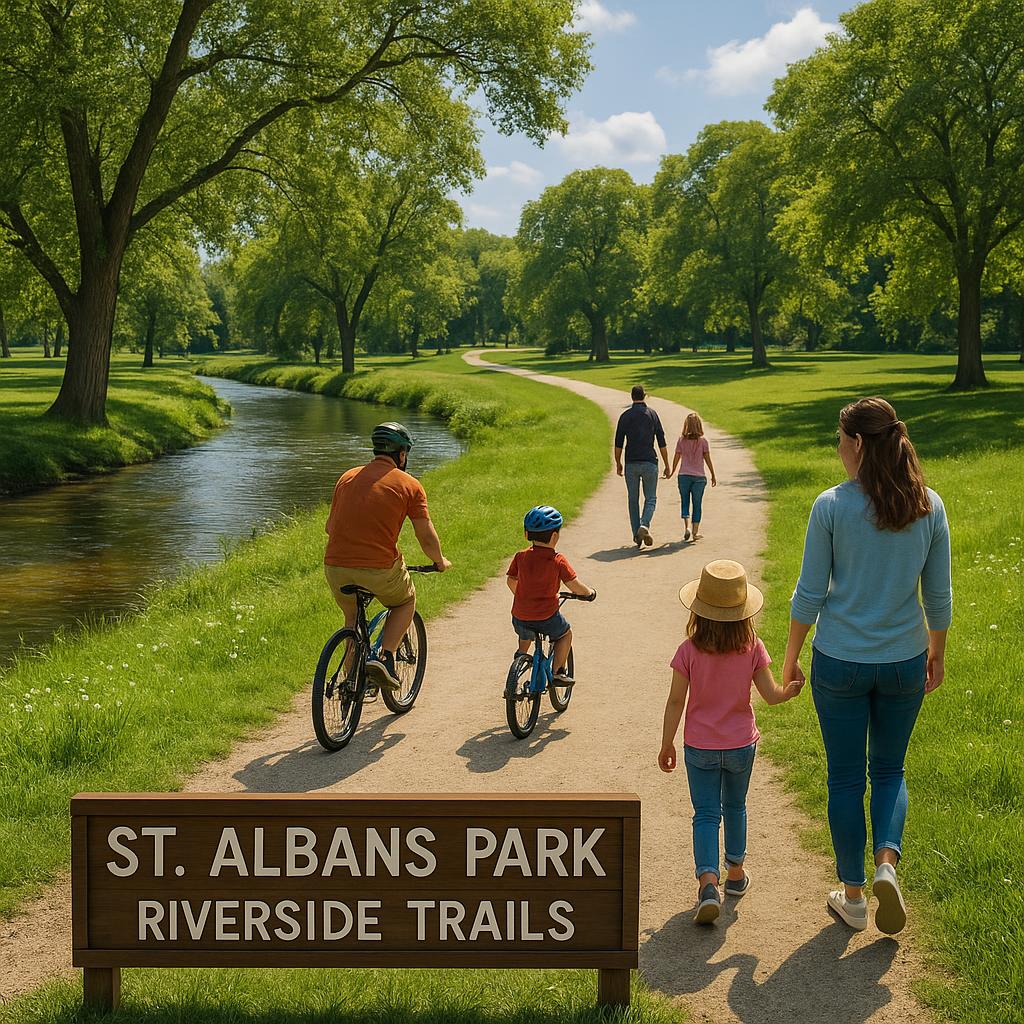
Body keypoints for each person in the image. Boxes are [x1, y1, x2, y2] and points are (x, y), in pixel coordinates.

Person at [784, 397, 951, 935]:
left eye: (840, 441)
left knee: (844, 777)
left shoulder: (831, 506)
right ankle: (886, 864)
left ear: (856, 444)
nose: (837, 450)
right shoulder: (929, 505)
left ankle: (853, 896)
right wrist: (937, 653)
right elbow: (939, 596)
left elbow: (810, 592)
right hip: (903, 660)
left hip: (840, 662)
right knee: (889, 771)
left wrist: (790, 656)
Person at [659, 559, 802, 925]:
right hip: (741, 745)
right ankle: (735, 874)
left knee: (706, 813)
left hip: (700, 748)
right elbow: (770, 695)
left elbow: (676, 700)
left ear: (699, 610)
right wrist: (791, 690)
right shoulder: (752, 647)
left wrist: (667, 743)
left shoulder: (688, 651)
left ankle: (708, 882)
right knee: (735, 806)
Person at [324, 422, 451, 692]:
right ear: (402, 454)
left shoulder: (347, 477)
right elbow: (425, 537)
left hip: (335, 566)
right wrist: (440, 561)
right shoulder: (410, 485)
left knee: (351, 618)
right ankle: (387, 657)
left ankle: (351, 682)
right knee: (405, 601)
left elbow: (329, 528)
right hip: (379, 568)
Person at [506, 505, 595, 689]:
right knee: (565, 634)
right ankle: (557, 673)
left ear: (526, 534)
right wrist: (589, 593)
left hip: (520, 615)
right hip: (546, 617)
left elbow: (511, 580)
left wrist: (523, 596)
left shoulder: (520, 557)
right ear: (555, 536)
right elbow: (574, 585)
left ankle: (520, 657)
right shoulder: (558, 560)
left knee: (526, 630)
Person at [614, 385, 670, 547]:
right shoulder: (652, 414)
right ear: (644, 396)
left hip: (631, 462)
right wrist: (667, 464)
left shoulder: (625, 416)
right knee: (651, 498)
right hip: (649, 462)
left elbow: (618, 443)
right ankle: (644, 525)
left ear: (631, 397)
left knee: (633, 500)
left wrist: (618, 462)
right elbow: (661, 442)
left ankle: (636, 535)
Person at [667, 412, 718, 541]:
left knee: (685, 502)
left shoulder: (681, 440)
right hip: (699, 477)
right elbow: (707, 459)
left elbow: (676, 457)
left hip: (683, 475)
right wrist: (712, 474)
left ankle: (687, 527)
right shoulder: (703, 441)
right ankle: (695, 532)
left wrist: (672, 471)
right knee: (697, 504)